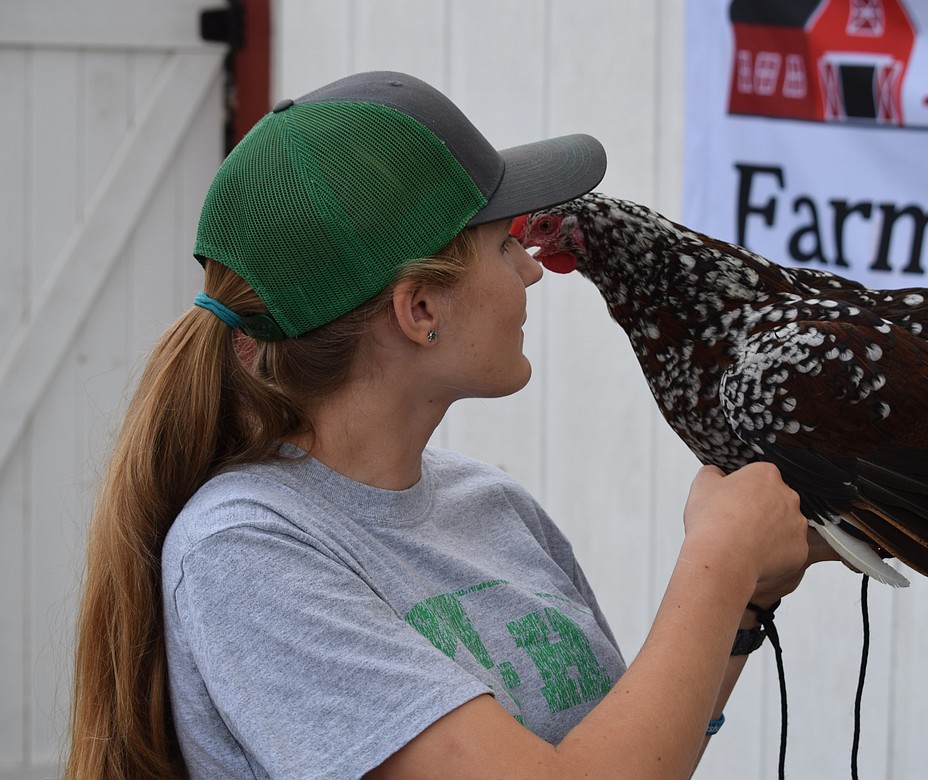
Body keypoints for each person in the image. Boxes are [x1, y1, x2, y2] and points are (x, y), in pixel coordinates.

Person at [66, 71, 832, 780]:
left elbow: (629, 755)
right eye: (503, 245)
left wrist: (746, 598)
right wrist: (719, 559)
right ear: (419, 310)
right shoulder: (247, 551)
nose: (531, 270)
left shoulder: (491, 506)